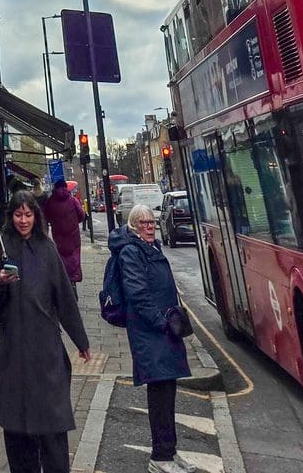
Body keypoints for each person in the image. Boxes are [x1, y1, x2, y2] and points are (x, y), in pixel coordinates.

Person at [0, 190, 92, 473]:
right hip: (13, 347)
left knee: (52, 421)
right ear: (11, 216)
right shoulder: (1, 246)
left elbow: (64, 297)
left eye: (28, 214)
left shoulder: (47, 248)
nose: (23, 220)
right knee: (16, 423)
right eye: (18, 215)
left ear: (36, 216)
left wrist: (81, 340)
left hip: (46, 348)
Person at [109, 202, 194, 473]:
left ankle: (170, 452)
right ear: (133, 227)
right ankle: (160, 458)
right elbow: (138, 295)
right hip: (151, 333)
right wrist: (163, 323)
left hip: (163, 332)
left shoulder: (152, 247)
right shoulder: (131, 252)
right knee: (159, 397)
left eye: (151, 222)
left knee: (168, 393)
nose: (149, 227)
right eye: (143, 223)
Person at [40, 178, 86, 290]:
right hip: (73, 235)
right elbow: (81, 215)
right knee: (74, 256)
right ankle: (73, 279)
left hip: (58, 235)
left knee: (61, 256)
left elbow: (47, 216)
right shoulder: (73, 200)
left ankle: (64, 278)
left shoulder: (51, 201)